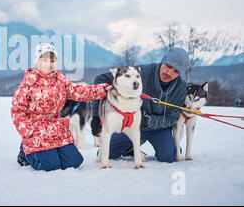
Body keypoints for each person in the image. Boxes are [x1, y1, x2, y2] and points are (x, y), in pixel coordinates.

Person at [12, 43, 110, 171]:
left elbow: (79, 92)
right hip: (36, 131)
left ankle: (51, 152)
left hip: (56, 128)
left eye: (52, 60)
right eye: (44, 60)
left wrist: (103, 90)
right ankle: (24, 153)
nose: (48, 64)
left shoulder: (60, 81)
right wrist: (29, 133)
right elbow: (17, 111)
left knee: (75, 162)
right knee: (50, 165)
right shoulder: (27, 85)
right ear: (37, 61)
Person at [90, 47, 190, 163]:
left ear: (180, 73)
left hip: (158, 128)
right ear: (163, 61)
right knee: (107, 154)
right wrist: (96, 116)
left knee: (168, 156)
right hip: (130, 124)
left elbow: (172, 117)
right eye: (168, 66)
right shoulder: (141, 73)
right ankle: (130, 147)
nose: (169, 72)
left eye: (176, 71)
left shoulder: (181, 88)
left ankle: (169, 145)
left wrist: (149, 121)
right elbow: (101, 79)